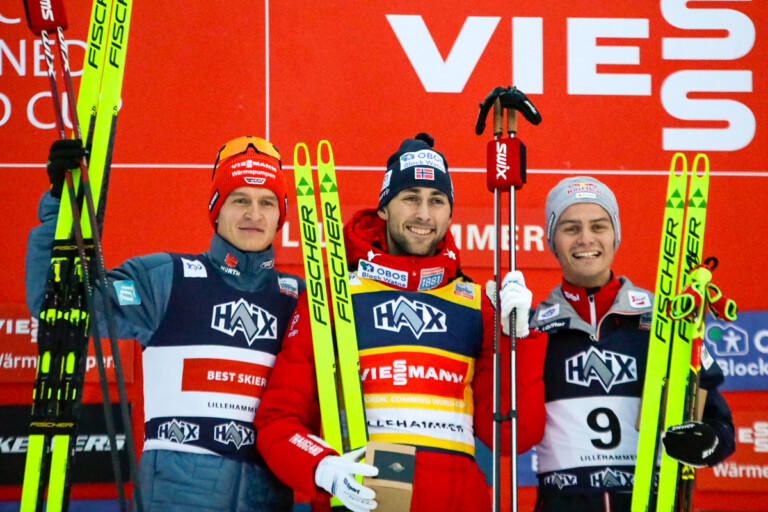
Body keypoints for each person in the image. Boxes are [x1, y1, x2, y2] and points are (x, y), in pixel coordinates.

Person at [254, 133, 548, 511]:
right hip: (364, 500)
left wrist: (516, 337)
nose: (424, 214)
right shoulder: (334, 296)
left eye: (437, 200)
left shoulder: (479, 306)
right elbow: (278, 420)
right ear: (384, 208)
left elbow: (513, 435)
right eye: (410, 198)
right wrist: (321, 466)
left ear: (449, 213)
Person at [25, 136, 304, 511]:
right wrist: (61, 210)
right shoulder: (166, 279)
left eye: (266, 202)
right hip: (174, 500)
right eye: (240, 200)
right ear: (216, 209)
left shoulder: (301, 300)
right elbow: (62, 302)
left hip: (267, 501)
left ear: (281, 215)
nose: (254, 214)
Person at [529, 176, 736, 512]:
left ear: (615, 234)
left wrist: (705, 442)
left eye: (599, 226)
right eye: (570, 228)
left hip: (650, 501)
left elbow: (718, 423)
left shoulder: (665, 322)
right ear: (552, 239)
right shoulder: (533, 331)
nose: (586, 239)